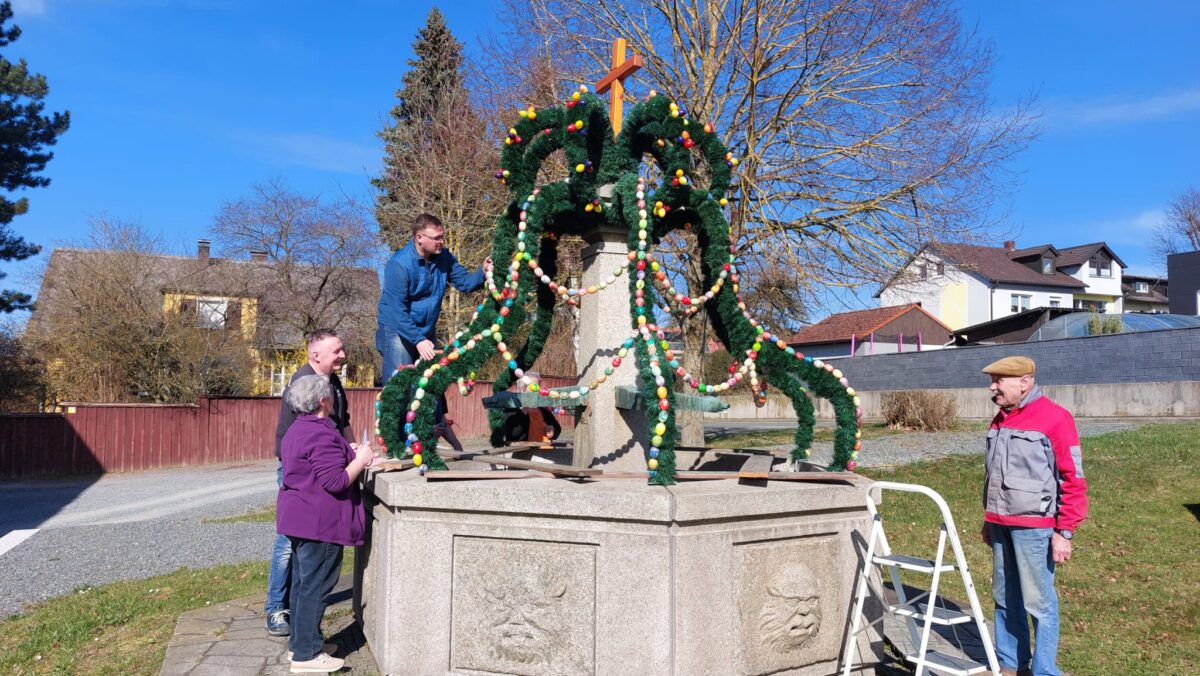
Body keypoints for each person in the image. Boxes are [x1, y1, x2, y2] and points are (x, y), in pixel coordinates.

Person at [980, 356, 1088, 676]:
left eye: (999, 381)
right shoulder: (999, 420)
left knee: (1039, 604)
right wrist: (989, 520)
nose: (992, 387)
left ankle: (1044, 671)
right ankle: (1011, 665)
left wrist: (1064, 531)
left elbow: (1073, 479)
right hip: (1000, 525)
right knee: (1003, 597)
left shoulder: (1056, 419)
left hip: (1035, 529)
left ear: (1024, 382)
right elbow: (994, 476)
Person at [276, 374, 374, 673]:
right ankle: (307, 656)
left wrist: (350, 454)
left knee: (303, 586)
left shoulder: (298, 429)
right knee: (315, 587)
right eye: (330, 395)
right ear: (323, 401)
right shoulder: (320, 433)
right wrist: (363, 458)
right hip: (320, 523)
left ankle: (300, 644)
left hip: (299, 519)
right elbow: (335, 480)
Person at [265, 329, 355, 637]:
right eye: (337, 351)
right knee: (289, 542)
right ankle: (277, 608)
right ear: (315, 355)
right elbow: (300, 440)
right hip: (301, 473)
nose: (343, 355)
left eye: (342, 350)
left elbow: (343, 424)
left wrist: (354, 451)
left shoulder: (333, 382)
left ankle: (298, 608)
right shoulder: (303, 383)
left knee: (307, 546)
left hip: (325, 466)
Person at [376, 213, 489, 451]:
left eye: (442, 237)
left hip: (424, 331)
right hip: (397, 328)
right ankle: (395, 445)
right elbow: (397, 310)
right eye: (436, 238)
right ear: (419, 238)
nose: (441, 242)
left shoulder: (443, 257)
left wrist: (483, 272)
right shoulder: (399, 264)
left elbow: (466, 283)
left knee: (432, 383)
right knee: (399, 386)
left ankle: (425, 440)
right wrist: (418, 340)